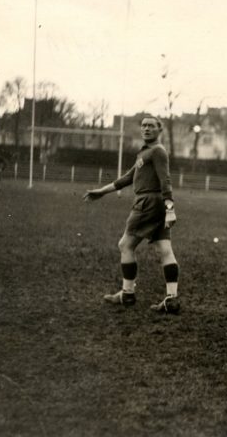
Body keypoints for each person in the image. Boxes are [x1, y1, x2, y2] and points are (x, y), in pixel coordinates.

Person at [83, 115, 181, 314]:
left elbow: (166, 181)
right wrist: (102, 191)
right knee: (164, 248)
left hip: (147, 204)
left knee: (125, 245)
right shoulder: (145, 152)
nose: (146, 129)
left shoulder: (158, 151)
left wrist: (171, 209)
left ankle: (127, 293)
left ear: (159, 130)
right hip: (156, 205)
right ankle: (171, 299)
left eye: (151, 126)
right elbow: (128, 178)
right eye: (144, 125)